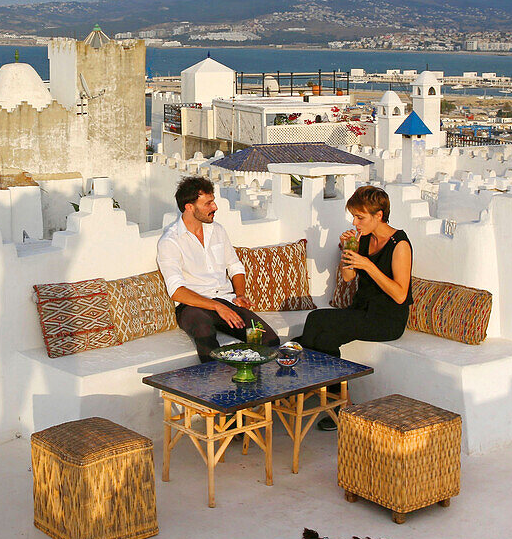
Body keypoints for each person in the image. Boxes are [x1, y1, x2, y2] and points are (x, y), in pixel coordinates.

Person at [296, 185, 413, 430]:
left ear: (378, 215)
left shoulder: (399, 244)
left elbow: (400, 295)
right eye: (354, 216)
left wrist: (368, 265)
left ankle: (331, 401)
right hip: (361, 310)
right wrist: (349, 251)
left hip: (387, 319)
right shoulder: (365, 239)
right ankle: (345, 405)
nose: (355, 222)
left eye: (360, 217)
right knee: (319, 331)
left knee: (314, 329)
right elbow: (348, 277)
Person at [157, 176, 280, 362]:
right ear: (189, 207)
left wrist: (239, 294)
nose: (215, 207)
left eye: (213, 201)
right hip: (192, 306)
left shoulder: (218, 230)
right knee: (206, 336)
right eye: (208, 203)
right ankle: (215, 388)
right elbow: (177, 292)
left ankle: (254, 386)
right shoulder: (170, 241)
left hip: (225, 300)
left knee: (269, 340)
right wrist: (217, 307)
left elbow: (234, 265)